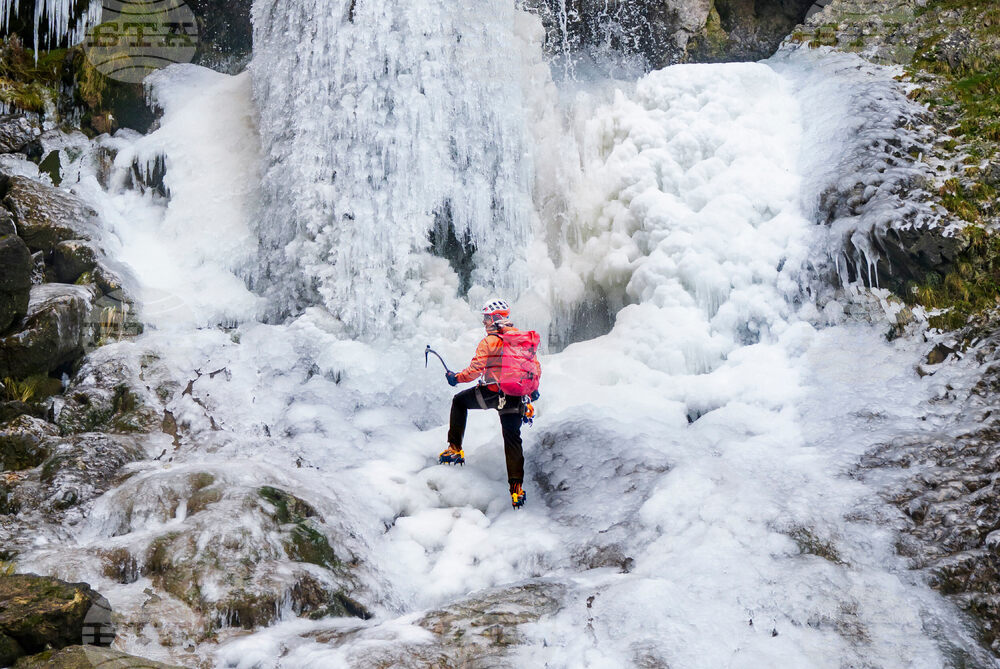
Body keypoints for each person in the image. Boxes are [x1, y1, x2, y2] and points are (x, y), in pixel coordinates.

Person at [439, 299, 528, 509]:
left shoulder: (490, 342)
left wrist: (456, 378)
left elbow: (475, 370)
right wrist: (531, 393)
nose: (484, 322)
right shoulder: (521, 340)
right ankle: (517, 489)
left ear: (495, 318)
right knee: (512, 440)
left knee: (459, 401)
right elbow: (532, 369)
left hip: (492, 393)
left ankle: (454, 448)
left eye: (486, 318)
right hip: (515, 396)